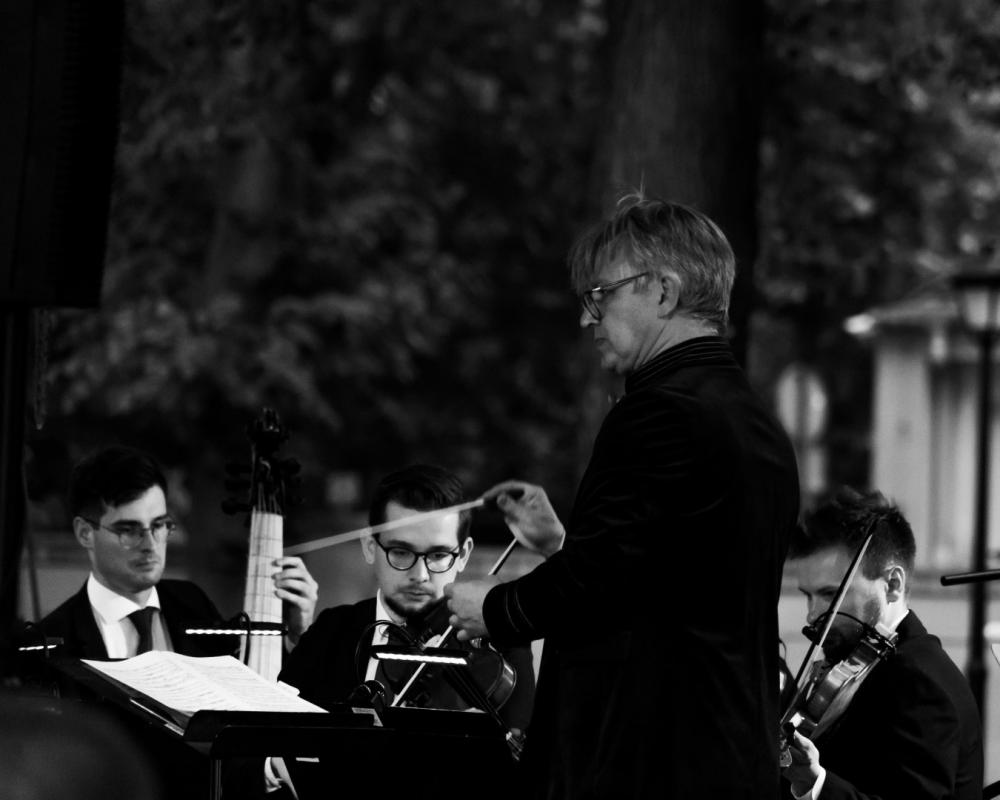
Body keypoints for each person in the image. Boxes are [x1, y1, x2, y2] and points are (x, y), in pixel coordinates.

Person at [444, 192, 800, 798]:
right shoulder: (756, 422)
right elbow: (664, 581)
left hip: (651, 762)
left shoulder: (660, 412)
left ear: (662, 291)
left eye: (600, 295)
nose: (588, 319)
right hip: (729, 755)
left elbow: (601, 582)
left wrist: (496, 608)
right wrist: (562, 545)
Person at [278, 463, 535, 731]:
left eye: (438, 555)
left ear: (463, 555)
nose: (420, 575)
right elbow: (277, 733)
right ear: (370, 547)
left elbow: (524, 747)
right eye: (401, 552)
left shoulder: (501, 644)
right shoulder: (332, 629)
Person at [781, 486, 983, 800]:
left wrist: (816, 784)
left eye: (831, 594)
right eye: (809, 595)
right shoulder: (861, 664)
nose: (813, 615)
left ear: (892, 584)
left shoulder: (919, 681)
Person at [39, 444, 318, 659]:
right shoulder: (51, 641)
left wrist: (297, 634)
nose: (150, 544)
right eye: (129, 530)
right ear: (85, 533)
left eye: (159, 525)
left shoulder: (193, 605)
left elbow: (256, 687)